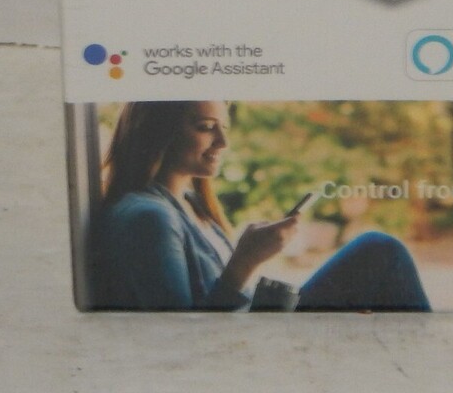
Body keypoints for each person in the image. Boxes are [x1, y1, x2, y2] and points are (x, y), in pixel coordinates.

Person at [94, 100, 431, 311]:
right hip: (243, 354)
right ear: (157, 131)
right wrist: (245, 261)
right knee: (379, 251)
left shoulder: (191, 205)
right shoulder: (148, 217)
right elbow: (182, 339)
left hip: (255, 333)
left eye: (224, 128)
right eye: (206, 127)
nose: (223, 142)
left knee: (377, 255)